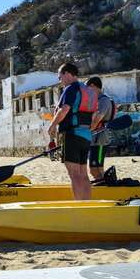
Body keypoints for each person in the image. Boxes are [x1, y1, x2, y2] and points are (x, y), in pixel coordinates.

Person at [47, 63, 98, 200]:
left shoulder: (70, 89)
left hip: (72, 135)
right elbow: (94, 116)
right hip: (86, 136)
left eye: (60, 77)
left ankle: (79, 205)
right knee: (83, 174)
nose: (60, 81)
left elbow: (64, 109)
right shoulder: (88, 91)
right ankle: (87, 204)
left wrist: (52, 126)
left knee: (74, 174)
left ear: (67, 73)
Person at [87, 76, 116, 181]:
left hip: (101, 139)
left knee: (97, 168)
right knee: (93, 169)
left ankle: (105, 185)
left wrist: (87, 131)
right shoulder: (96, 100)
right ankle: (102, 183)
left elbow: (98, 118)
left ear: (93, 86)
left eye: (88, 88)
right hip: (95, 138)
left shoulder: (103, 100)